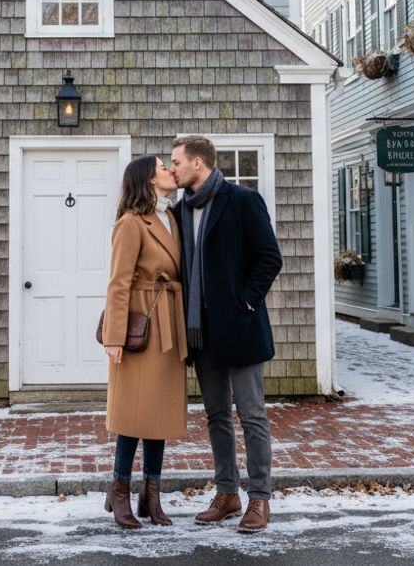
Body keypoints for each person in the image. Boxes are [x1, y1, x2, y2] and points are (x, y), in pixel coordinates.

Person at [170, 135, 283, 534]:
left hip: (240, 327)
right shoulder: (180, 210)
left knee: (251, 415)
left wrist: (245, 304)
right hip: (200, 332)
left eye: (176, 162)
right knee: (216, 415)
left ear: (197, 163)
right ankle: (227, 493)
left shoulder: (243, 200)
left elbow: (270, 259)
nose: (172, 169)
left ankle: (260, 499)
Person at [102, 155, 189, 529]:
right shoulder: (130, 223)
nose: (171, 170)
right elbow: (118, 282)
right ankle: (119, 488)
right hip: (142, 324)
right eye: (163, 167)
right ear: (149, 180)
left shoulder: (171, 217)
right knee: (133, 413)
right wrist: (114, 337)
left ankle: (151, 495)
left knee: (159, 412)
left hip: (170, 321)